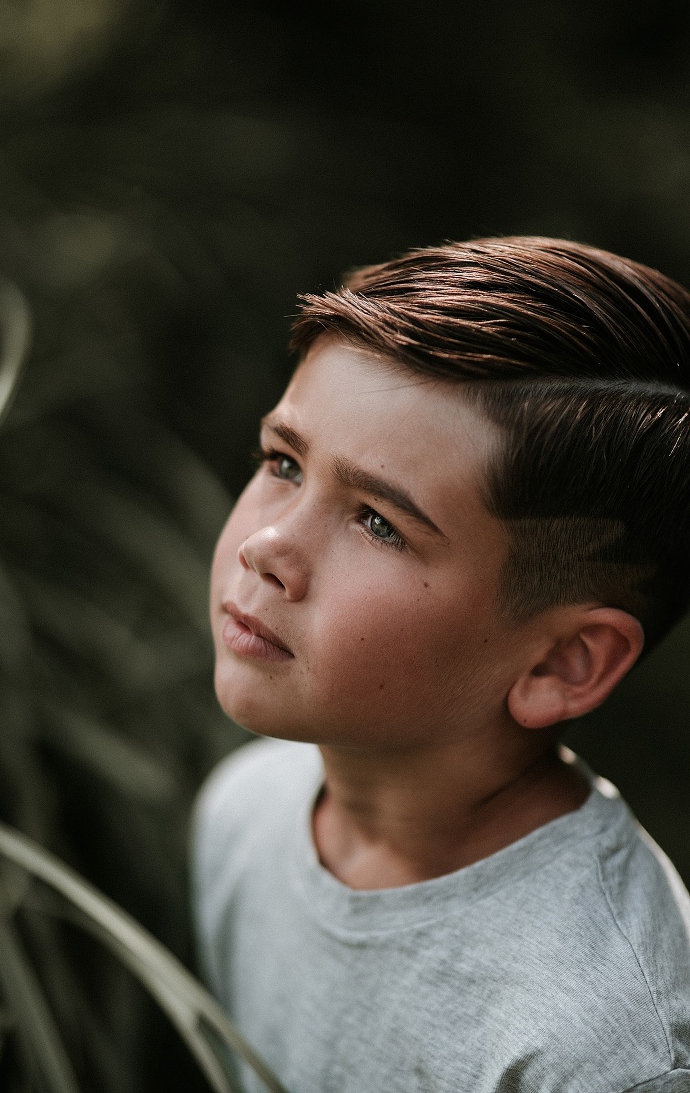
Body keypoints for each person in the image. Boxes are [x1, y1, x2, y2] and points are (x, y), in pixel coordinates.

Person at [191, 237, 690, 1092]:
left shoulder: (607, 1049)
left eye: (379, 522)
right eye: (283, 463)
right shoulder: (248, 813)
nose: (269, 545)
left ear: (563, 663)